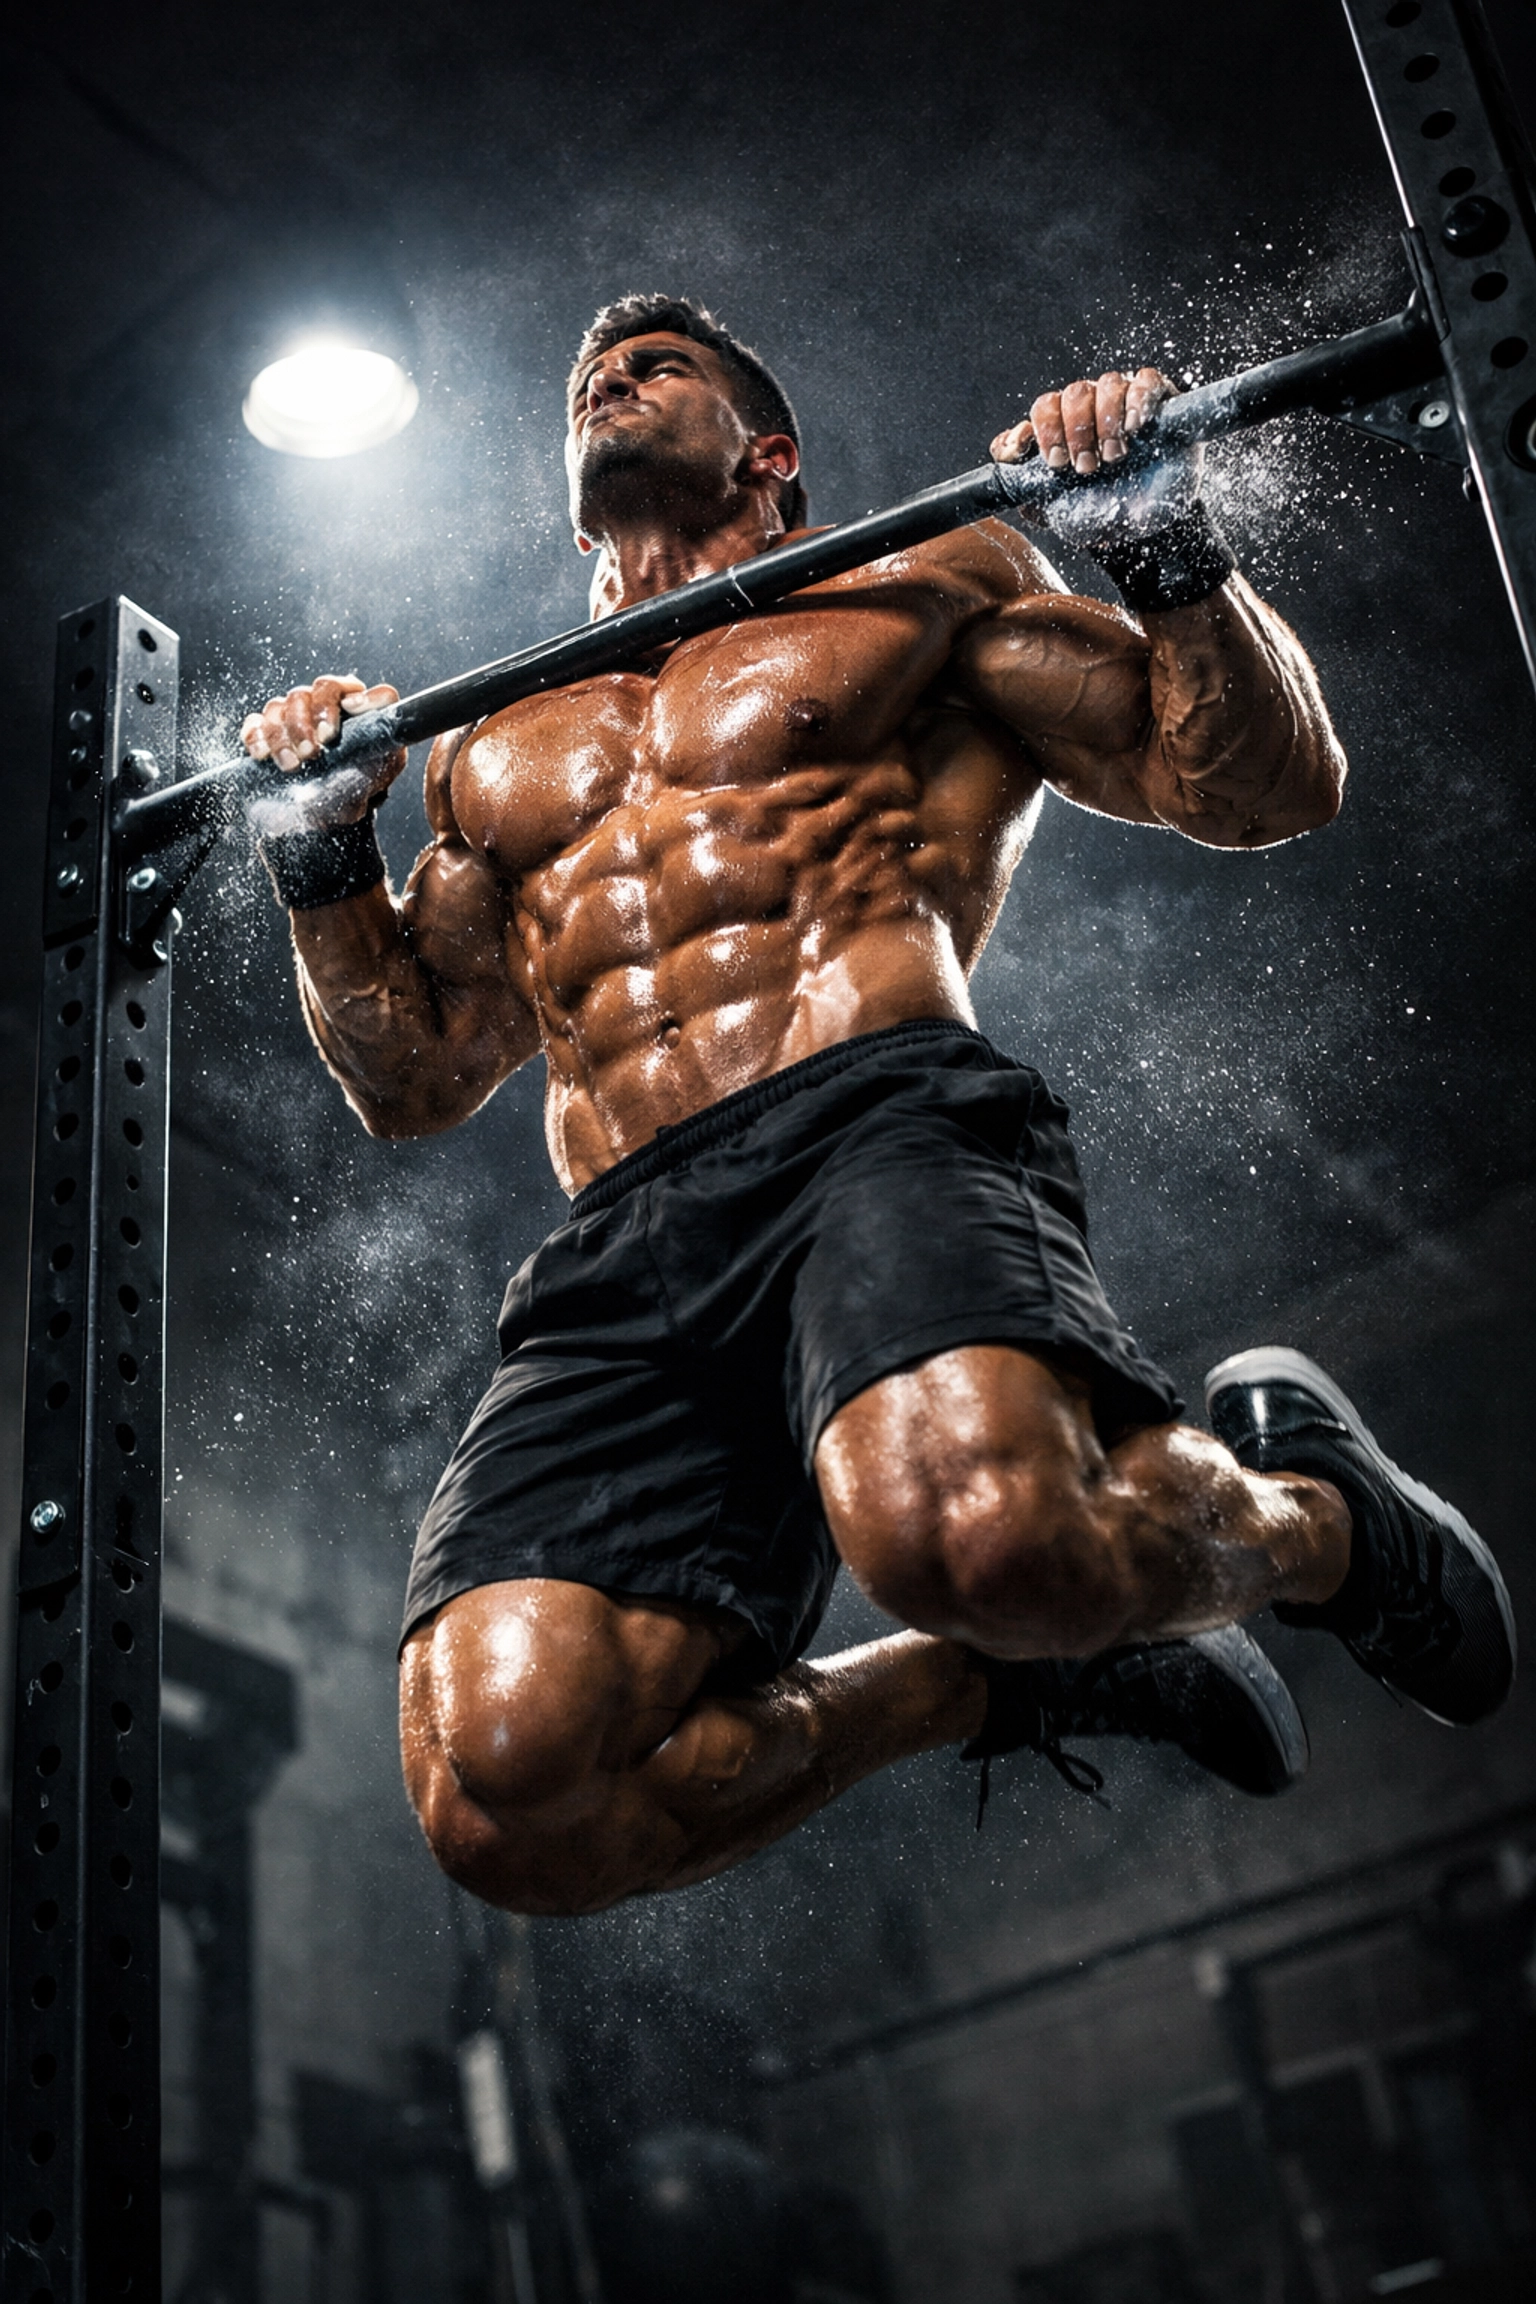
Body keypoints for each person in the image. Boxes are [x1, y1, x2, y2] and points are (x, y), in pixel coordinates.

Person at [242, 295, 1515, 1917]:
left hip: (871, 1123)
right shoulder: (488, 744)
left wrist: (1161, 543)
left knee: (984, 1543)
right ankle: (994, 1687)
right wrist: (319, 860)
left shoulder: (918, 580)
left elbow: (1259, 786)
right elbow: (413, 1081)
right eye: (590, 380)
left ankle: (1328, 1525)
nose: (611, 382)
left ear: (765, 451)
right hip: (623, 1238)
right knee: (508, 1787)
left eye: (658, 368)